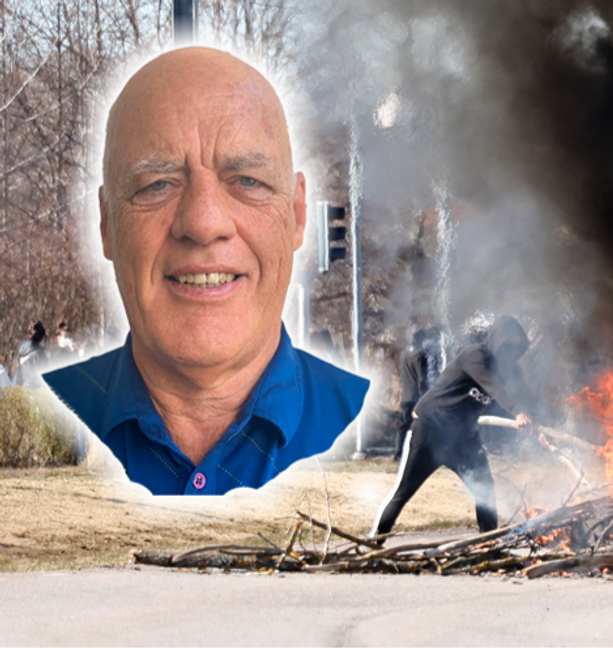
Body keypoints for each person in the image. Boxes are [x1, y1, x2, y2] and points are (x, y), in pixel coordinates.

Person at [42, 48, 369, 495]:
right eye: (157, 185)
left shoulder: (367, 422)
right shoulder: (43, 418)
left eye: (247, 181)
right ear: (106, 225)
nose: (202, 222)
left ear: (295, 215)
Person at [371, 316, 534, 538]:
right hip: (430, 431)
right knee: (404, 491)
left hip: (463, 438)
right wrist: (517, 410)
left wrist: (537, 428)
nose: (511, 353)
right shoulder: (476, 355)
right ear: (498, 341)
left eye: (517, 349)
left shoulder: (512, 373)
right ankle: (376, 539)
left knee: (484, 488)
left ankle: (488, 543)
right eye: (508, 346)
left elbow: (524, 398)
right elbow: (496, 388)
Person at [395, 326, 443, 460]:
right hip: (417, 397)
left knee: (404, 426)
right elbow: (422, 379)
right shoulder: (420, 355)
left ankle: (399, 453)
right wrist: (427, 395)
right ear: (419, 338)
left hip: (406, 396)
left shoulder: (404, 353)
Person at [15, 322, 49, 387]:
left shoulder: (22, 351)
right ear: (42, 338)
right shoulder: (39, 353)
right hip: (36, 390)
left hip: (22, 390)